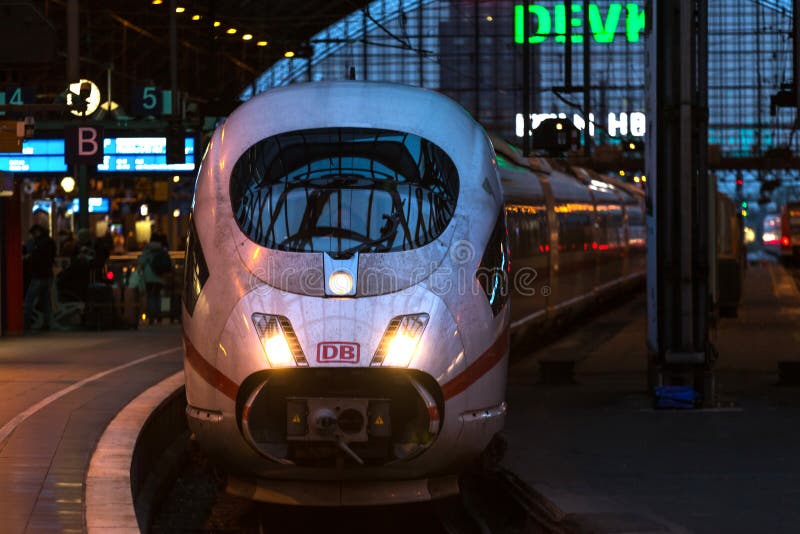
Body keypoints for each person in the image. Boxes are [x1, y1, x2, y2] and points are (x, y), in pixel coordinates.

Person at [23, 224, 57, 331]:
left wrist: (28, 258)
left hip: (38, 275)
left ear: (37, 232)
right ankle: (47, 324)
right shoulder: (50, 242)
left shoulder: (38, 244)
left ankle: (26, 324)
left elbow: (35, 258)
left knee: (29, 300)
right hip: (48, 275)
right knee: (46, 301)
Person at [136, 234, 172, 325]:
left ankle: (152, 316)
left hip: (149, 277)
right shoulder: (162, 250)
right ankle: (160, 315)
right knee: (159, 296)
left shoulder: (148, 250)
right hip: (160, 277)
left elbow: (141, 262)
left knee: (151, 296)